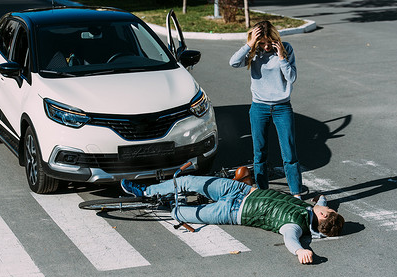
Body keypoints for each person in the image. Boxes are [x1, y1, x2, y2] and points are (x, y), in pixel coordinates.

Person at [121, 175, 345, 264]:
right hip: (239, 189)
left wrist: (301, 252)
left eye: (325, 209)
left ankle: (165, 202)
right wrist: (324, 200)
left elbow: (291, 240)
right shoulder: (315, 211)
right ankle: (146, 190)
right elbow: (323, 202)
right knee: (188, 180)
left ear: (323, 216)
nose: (322, 207)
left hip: (231, 212)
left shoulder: (293, 226)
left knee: (179, 213)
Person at [229, 20, 302, 198]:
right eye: (263, 42)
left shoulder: (286, 49)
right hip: (259, 108)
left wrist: (281, 57)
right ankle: (263, 194)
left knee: (289, 153)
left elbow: (291, 78)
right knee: (259, 154)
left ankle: (296, 194)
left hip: (282, 107)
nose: (267, 46)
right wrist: (250, 44)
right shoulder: (254, 51)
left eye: (270, 42)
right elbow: (233, 63)